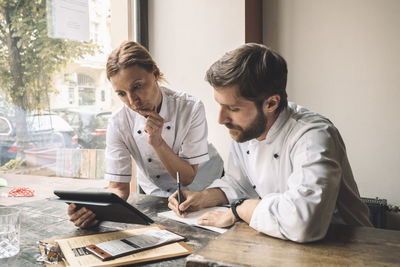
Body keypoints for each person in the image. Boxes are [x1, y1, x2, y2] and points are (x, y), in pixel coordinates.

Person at [168, 43, 372, 243]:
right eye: (220, 106)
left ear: (271, 103)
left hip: (345, 246)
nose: (221, 119)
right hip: (285, 242)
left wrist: (239, 210)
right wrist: (203, 197)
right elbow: (238, 183)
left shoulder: (313, 135)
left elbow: (303, 221)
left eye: (233, 108)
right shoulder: (246, 130)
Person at [68, 41, 223, 228]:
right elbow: (118, 187)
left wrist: (157, 141)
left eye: (137, 86)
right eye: (122, 94)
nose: (133, 101)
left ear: (155, 73)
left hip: (205, 182)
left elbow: (188, 176)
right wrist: (95, 210)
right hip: (156, 191)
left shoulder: (190, 108)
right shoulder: (119, 122)